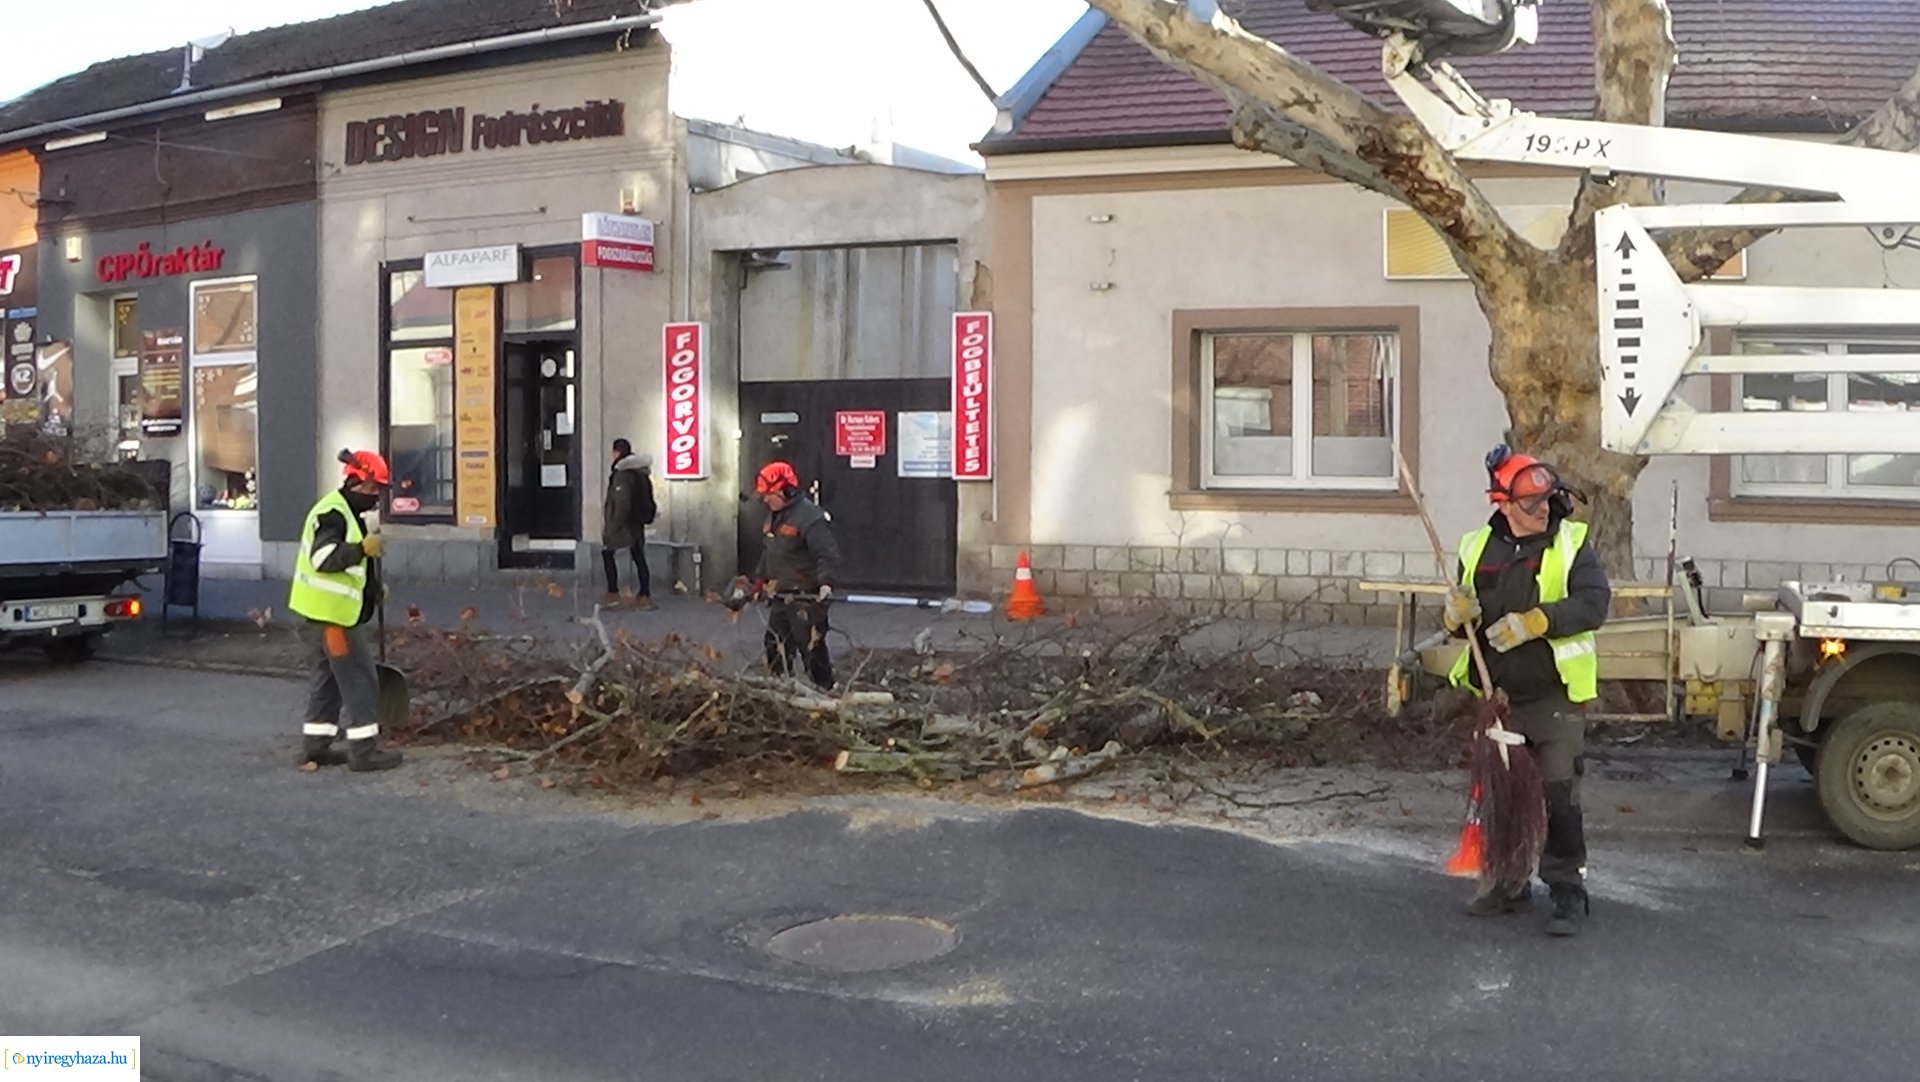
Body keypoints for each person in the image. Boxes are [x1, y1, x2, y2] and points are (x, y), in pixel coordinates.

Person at [1444, 443, 1610, 936]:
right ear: (1502, 503)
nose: (1544, 511)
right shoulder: (1475, 547)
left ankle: (1567, 891)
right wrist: (1456, 619)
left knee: (1559, 795)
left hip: (1554, 696)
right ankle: (1507, 882)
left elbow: (1594, 604)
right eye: (1531, 504)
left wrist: (1540, 620)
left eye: (1548, 500)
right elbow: (1464, 622)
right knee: (1504, 795)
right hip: (1500, 699)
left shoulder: (1572, 542)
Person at [287, 449, 403, 772]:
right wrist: (361, 549)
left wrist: (371, 592)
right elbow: (323, 560)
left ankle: (315, 748)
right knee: (359, 679)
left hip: (318, 615)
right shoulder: (334, 514)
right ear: (357, 482)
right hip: (333, 620)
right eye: (373, 489)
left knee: (328, 681)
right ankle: (365, 751)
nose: (376, 496)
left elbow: (351, 570)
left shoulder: (348, 514)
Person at [751, 460, 841, 690]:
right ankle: (782, 688)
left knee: (810, 646)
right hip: (782, 595)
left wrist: (826, 583)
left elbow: (827, 553)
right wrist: (759, 581)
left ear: (787, 490)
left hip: (806, 597)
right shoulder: (775, 516)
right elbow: (770, 552)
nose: (765, 499)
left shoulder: (810, 517)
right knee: (774, 644)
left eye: (769, 494)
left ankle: (825, 689)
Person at [601, 438, 656, 609]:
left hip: (624, 524)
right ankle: (644, 593)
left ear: (616, 452)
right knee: (638, 556)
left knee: (607, 553)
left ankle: (613, 592)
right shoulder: (641, 473)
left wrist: (613, 525)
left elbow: (622, 502)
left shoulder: (623, 474)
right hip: (636, 522)